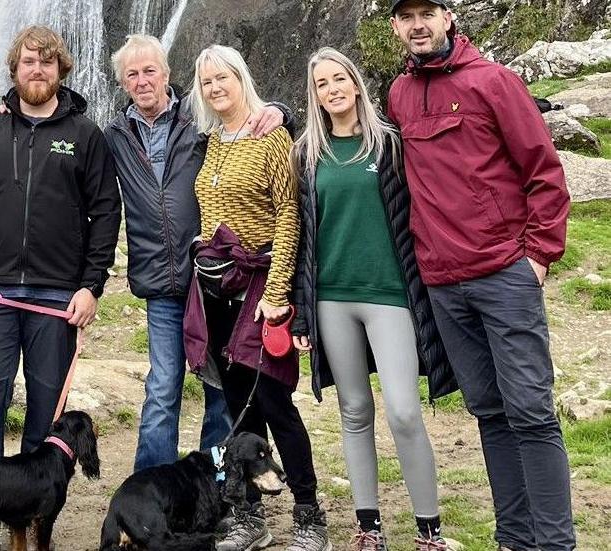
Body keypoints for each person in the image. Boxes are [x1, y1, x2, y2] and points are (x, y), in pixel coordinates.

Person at [387, 1, 573, 550]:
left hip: (503, 274)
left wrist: (537, 257)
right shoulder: (399, 94)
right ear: (396, 27)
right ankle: (514, 539)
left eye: (427, 12)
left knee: (532, 413)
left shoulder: (495, 82)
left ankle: (555, 543)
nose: (417, 25)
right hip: (443, 283)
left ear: (447, 17)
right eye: (405, 16)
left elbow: (544, 170)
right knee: (490, 412)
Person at [0, 25, 121, 550]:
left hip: (57, 301)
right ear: (14, 70)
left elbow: (105, 212)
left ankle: (30, 526)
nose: (36, 70)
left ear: (61, 69)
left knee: (46, 420)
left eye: (46, 62)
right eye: (27, 63)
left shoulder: (86, 135)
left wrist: (91, 286)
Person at [105, 34, 296, 472]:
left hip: (210, 279)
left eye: (150, 70)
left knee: (221, 388)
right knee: (163, 386)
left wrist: (281, 111)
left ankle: (219, 485)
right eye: (132, 74)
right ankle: (152, 488)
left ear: (168, 74)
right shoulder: (114, 133)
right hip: (157, 280)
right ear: (122, 83)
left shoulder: (198, 116)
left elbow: (243, 106)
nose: (142, 80)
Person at [290, 47, 455, 551]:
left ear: (357, 84)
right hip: (331, 300)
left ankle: (429, 531)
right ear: (314, 95)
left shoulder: (390, 146)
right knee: (354, 410)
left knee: (404, 410)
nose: (333, 89)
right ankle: (369, 528)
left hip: (390, 295)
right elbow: (300, 236)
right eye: (322, 83)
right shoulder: (306, 153)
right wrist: (299, 307)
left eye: (340, 79)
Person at [183, 44, 330, 551]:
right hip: (215, 289)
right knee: (240, 412)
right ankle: (250, 514)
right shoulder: (212, 140)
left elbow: (288, 215)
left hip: (259, 289)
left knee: (273, 401)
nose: (215, 87)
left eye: (223, 77)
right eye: (206, 82)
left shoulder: (272, 136)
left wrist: (277, 293)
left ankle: (309, 515)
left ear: (242, 78)